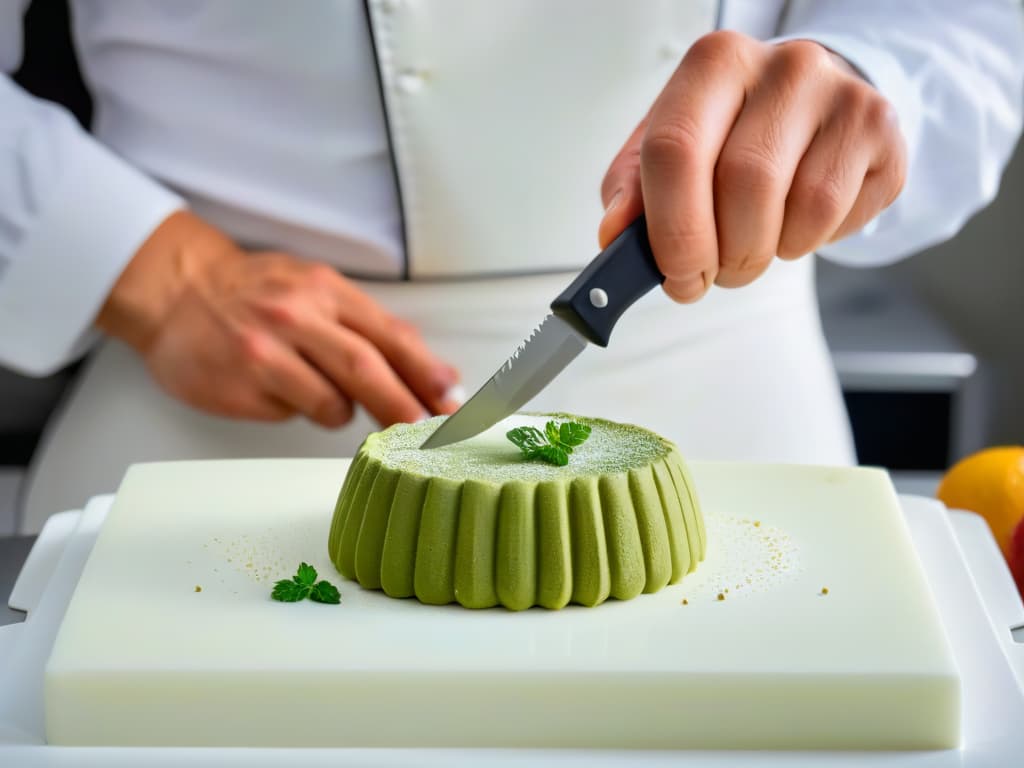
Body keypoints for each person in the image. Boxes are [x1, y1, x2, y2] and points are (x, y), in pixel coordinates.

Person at [2, 1, 1021, 534]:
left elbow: (967, 24)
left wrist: (868, 88)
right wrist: (143, 268)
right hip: (217, 415)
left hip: (728, 413)